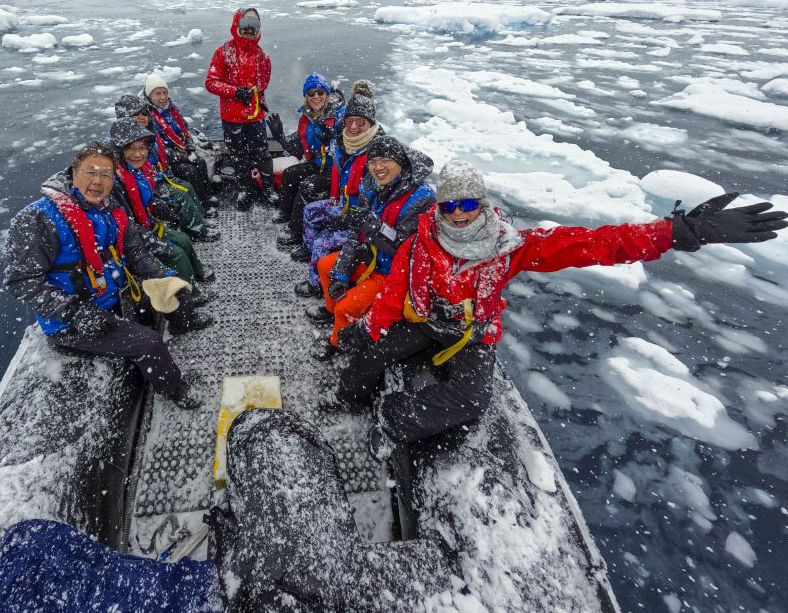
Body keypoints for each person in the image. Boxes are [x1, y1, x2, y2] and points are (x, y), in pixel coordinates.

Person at [329, 161, 787, 455]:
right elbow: (393, 295)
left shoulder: (509, 246)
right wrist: (368, 330)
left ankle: (390, 420)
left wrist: (674, 233)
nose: (459, 215)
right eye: (450, 205)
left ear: (483, 204)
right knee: (367, 358)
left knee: (471, 400)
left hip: (471, 335)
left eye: (469, 204)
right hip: (427, 322)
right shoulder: (421, 242)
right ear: (440, 206)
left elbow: (593, 243)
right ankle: (351, 400)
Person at [3, 144, 210, 409]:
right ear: (73, 173)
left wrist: (166, 277)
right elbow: (22, 282)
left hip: (114, 294)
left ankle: (181, 323)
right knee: (149, 342)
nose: (98, 182)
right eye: (90, 172)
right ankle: (175, 390)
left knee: (177, 292)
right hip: (78, 319)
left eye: (106, 175)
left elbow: (135, 253)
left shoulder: (110, 210)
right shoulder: (38, 218)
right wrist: (75, 313)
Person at [308, 136, 436, 361]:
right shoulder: (373, 187)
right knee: (325, 266)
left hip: (394, 273)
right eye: (372, 161)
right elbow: (356, 235)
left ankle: (338, 342)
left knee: (346, 307)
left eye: (385, 160)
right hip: (372, 256)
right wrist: (340, 273)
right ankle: (332, 313)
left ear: (401, 163)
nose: (377, 167)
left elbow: (406, 250)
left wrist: (372, 226)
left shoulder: (421, 199)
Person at [109, 118, 217, 317]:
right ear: (119, 151)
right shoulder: (115, 183)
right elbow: (124, 223)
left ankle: (195, 274)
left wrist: (160, 205)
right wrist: (151, 239)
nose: (138, 153)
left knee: (184, 240)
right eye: (131, 148)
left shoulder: (137, 170)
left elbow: (144, 198)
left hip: (146, 225)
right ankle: (188, 293)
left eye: (142, 148)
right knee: (176, 254)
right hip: (133, 238)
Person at [292, 81, 382, 298]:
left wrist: (352, 218)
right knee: (311, 211)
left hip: (365, 220)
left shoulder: (377, 155)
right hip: (345, 205)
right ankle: (309, 249)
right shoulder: (343, 144)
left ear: (371, 123)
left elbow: (377, 202)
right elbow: (337, 174)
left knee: (324, 239)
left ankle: (316, 285)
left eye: (360, 122)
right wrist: (334, 197)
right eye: (349, 121)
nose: (353, 127)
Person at [114, 93, 219, 243]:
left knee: (187, 186)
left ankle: (198, 219)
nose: (141, 117)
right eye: (135, 114)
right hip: (153, 184)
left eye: (144, 112)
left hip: (161, 175)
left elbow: (161, 153)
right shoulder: (125, 143)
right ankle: (196, 229)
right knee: (182, 196)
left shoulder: (149, 133)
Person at [205, 7, 275, 210]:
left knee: (262, 153)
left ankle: (269, 188)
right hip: (232, 118)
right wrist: (235, 92)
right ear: (237, 25)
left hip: (255, 117)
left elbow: (263, 85)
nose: (249, 29)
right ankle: (244, 189)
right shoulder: (223, 52)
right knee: (238, 155)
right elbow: (211, 82)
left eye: (255, 25)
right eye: (245, 24)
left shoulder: (263, 56)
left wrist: (258, 99)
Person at [265, 72, 344, 226]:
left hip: (336, 168)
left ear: (327, 94)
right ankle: (285, 211)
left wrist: (333, 141)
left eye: (320, 92)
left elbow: (349, 146)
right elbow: (297, 150)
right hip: (317, 163)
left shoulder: (340, 115)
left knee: (308, 186)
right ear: (306, 96)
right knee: (289, 174)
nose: (316, 96)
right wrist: (280, 137)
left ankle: (295, 228)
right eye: (311, 93)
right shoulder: (306, 117)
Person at [139, 75, 217, 207]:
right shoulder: (148, 117)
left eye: (165, 92)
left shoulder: (172, 110)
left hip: (180, 149)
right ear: (149, 96)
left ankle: (206, 195)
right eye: (158, 94)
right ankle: (201, 203)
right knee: (189, 171)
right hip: (166, 158)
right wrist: (183, 157)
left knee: (201, 162)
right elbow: (158, 148)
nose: (163, 97)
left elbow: (184, 130)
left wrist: (190, 146)